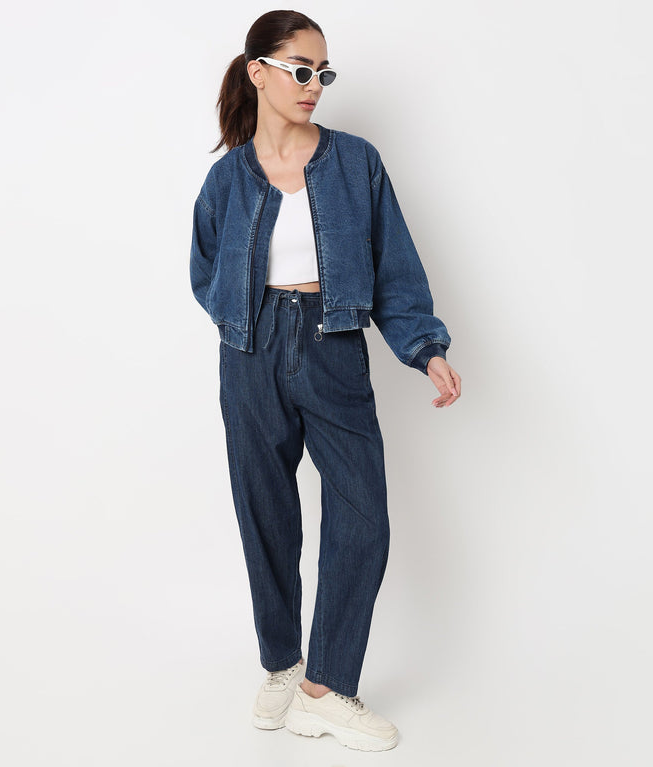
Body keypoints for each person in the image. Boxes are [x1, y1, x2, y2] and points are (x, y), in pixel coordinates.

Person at [190, 9, 461, 752]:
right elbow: (205, 267)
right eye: (300, 69)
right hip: (248, 353)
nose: (314, 84)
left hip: (333, 344)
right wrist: (241, 320)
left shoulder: (355, 162)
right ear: (258, 73)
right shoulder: (226, 178)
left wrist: (424, 347)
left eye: (323, 72)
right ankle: (282, 664)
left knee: (362, 516)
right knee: (266, 514)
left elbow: (394, 264)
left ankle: (325, 687)